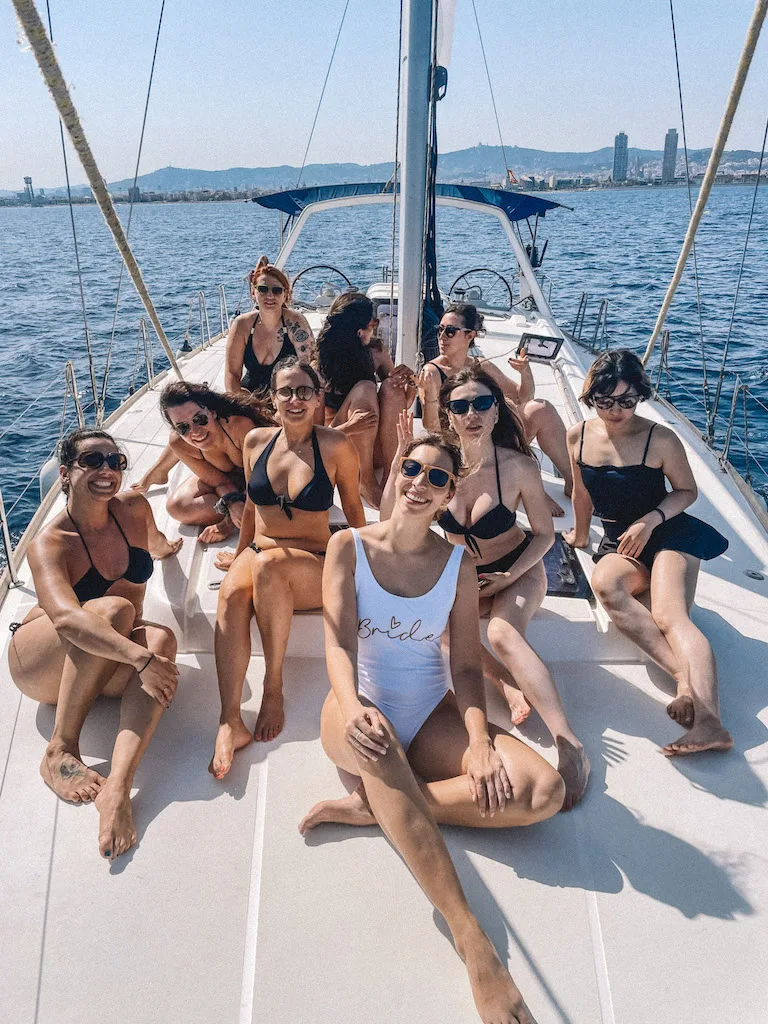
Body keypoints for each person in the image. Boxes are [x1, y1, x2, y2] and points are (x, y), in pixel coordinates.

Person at [299, 432, 564, 1024]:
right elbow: (337, 647)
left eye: (436, 478)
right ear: (395, 472)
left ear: (448, 495)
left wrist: (478, 741)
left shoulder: (458, 566)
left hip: (430, 708)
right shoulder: (349, 545)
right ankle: (475, 947)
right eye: (411, 469)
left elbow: (466, 666)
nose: (419, 483)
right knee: (381, 742)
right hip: (356, 703)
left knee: (546, 792)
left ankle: (383, 806)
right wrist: (354, 705)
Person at [7, 428, 182, 861]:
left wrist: (182, 544)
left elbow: (155, 545)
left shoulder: (135, 508)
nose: (107, 470)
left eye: (115, 461)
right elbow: (67, 619)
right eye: (93, 461)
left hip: (107, 655)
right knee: (116, 612)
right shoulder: (49, 544)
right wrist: (140, 660)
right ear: (65, 473)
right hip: (40, 660)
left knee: (161, 637)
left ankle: (118, 787)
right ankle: (60, 749)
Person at [420, 367, 588, 808]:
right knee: (431, 624)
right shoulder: (440, 467)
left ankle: (569, 744)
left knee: (500, 632)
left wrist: (509, 576)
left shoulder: (517, 466)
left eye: (481, 404)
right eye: (459, 406)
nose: (471, 413)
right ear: (448, 416)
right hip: (468, 576)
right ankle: (508, 686)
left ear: (497, 410)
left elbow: (545, 536)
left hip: (520, 567)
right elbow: (403, 519)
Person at [563, 349, 732, 756]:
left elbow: (687, 491)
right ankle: (684, 680)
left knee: (668, 613)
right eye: (606, 401)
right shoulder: (579, 436)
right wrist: (580, 536)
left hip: (669, 531)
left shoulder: (660, 439)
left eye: (627, 400)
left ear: (640, 395)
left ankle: (710, 722)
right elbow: (581, 491)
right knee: (605, 585)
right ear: (591, 397)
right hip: (620, 541)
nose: (617, 410)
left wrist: (652, 519)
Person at [209, 358, 366, 777]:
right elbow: (251, 512)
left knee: (270, 568)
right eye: (285, 392)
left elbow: (353, 509)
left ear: (318, 398)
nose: (294, 400)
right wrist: (239, 553)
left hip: (313, 560)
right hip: (262, 551)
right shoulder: (255, 442)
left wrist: (367, 566)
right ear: (273, 398)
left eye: (304, 392)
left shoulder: (335, 446)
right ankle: (230, 720)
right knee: (231, 594)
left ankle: (272, 687)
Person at [418, 303, 571, 516]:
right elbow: (432, 427)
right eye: (439, 330)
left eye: (450, 331)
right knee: (496, 418)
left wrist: (525, 371)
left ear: (470, 335)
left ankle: (573, 482)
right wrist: (432, 395)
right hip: (460, 444)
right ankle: (530, 487)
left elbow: (523, 397)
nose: (442, 336)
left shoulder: (480, 366)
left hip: (490, 436)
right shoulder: (432, 371)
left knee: (539, 409)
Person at [131, 381, 274, 544]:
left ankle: (244, 513)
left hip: (263, 477)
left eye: (199, 419)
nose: (195, 431)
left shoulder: (238, 425)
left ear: (212, 412)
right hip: (232, 481)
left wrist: (227, 524)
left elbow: (261, 477)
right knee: (177, 506)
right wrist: (233, 503)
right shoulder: (178, 443)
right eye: (183, 428)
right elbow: (219, 481)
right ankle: (242, 513)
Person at [317, 291, 415, 507]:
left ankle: (392, 474)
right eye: (374, 322)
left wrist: (411, 385)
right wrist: (350, 427)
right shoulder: (319, 365)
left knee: (390, 385)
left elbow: (400, 403)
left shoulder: (376, 353)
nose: (377, 327)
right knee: (366, 388)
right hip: (339, 442)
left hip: (375, 449)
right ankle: (366, 481)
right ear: (360, 330)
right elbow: (312, 434)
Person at [225, 256, 316, 396]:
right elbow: (232, 374)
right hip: (249, 399)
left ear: (285, 294)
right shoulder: (241, 325)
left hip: (288, 397)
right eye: (263, 289)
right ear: (253, 293)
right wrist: (247, 404)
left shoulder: (296, 323)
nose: (270, 295)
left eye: (277, 290)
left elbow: (309, 369)